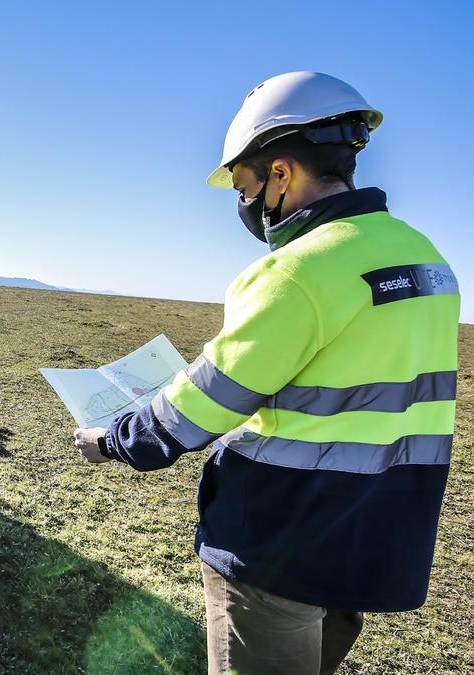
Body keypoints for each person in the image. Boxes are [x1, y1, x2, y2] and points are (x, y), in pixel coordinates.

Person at [72, 71, 460, 674]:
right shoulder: (427, 260)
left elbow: (202, 406)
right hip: (372, 532)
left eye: (244, 182)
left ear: (280, 172)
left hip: (283, 540)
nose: (243, 201)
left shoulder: (296, 271)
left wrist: (115, 439)